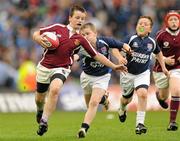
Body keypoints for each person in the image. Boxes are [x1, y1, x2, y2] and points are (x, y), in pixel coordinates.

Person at [32, 5, 127, 136]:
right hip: (44, 66)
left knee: (54, 89)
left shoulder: (81, 39)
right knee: (39, 98)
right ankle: (39, 110)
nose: (80, 20)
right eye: (77, 17)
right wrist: (37, 38)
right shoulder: (57, 28)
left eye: (82, 18)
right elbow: (37, 32)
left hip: (62, 68)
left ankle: (44, 121)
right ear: (70, 18)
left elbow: (97, 55)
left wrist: (114, 66)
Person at [75, 23, 131, 138]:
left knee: (94, 102)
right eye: (82, 34)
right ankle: (104, 99)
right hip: (86, 77)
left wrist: (127, 49)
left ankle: (84, 128)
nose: (85, 36)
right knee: (88, 105)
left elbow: (121, 45)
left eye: (88, 33)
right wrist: (72, 58)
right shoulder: (82, 47)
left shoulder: (105, 41)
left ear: (95, 33)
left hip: (102, 77)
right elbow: (76, 56)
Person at [117, 16, 169, 135]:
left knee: (143, 94)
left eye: (145, 24)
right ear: (136, 26)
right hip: (127, 73)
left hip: (143, 73)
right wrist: (120, 58)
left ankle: (140, 124)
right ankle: (122, 108)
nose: (142, 25)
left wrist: (164, 68)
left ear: (150, 30)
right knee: (126, 100)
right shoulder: (130, 38)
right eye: (140, 23)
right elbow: (115, 47)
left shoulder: (152, 42)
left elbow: (159, 53)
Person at [153, 11, 180, 131]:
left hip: (177, 68)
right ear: (166, 22)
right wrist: (164, 59)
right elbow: (152, 53)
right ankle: (160, 97)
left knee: (177, 91)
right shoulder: (161, 35)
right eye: (171, 20)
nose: (174, 22)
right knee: (164, 96)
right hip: (161, 70)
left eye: (176, 20)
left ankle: (172, 122)